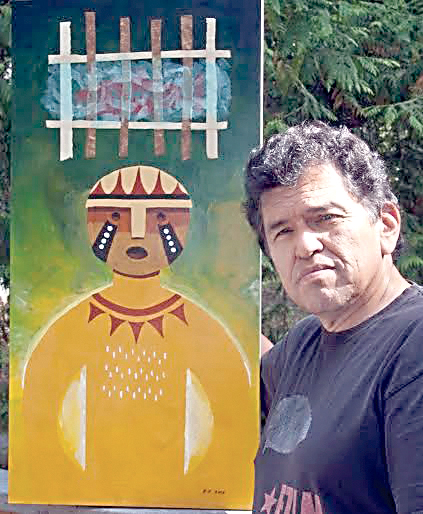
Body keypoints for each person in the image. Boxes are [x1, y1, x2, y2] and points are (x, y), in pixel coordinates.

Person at [18, 165, 256, 508]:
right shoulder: (75, 324)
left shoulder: (198, 325)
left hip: (176, 493)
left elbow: (231, 408)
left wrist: (202, 482)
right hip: (94, 491)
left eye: (159, 217)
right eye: (117, 216)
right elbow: (38, 403)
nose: (139, 232)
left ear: (181, 229)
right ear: (94, 228)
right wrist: (68, 478)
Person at [243, 121, 423, 514]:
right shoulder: (301, 345)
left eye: (324, 218)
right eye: (282, 231)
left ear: (386, 226)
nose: (305, 245)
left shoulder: (413, 348)